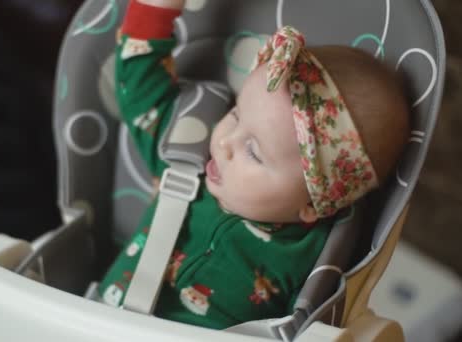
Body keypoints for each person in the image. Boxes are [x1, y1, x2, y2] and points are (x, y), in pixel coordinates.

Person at [97, 0, 410, 329]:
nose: (224, 143)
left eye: (254, 152)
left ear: (313, 204)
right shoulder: (185, 157)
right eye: (235, 114)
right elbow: (140, 88)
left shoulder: (313, 255)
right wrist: (155, 10)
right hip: (86, 326)